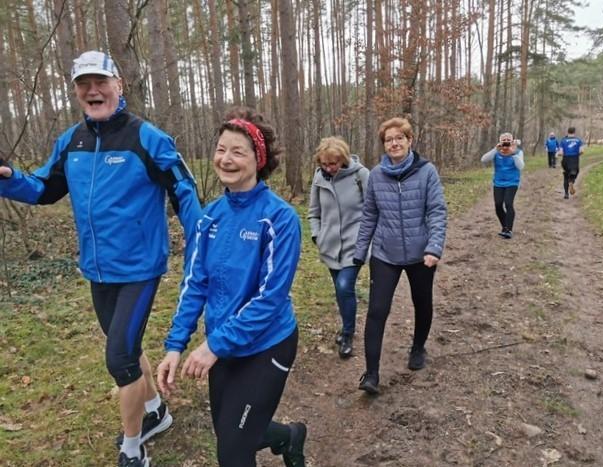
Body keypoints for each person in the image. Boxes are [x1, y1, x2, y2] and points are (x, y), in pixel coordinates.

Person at [0, 51, 201, 466]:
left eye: (100, 82)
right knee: (125, 344)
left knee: (120, 359)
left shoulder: (147, 138)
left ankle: (133, 447)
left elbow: (184, 191)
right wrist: (9, 179)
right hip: (97, 268)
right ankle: (154, 412)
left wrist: (202, 247)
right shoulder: (71, 141)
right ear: (76, 91)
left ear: (118, 85)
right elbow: (44, 189)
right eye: (83, 84)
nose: (93, 91)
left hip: (140, 268)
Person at [157, 107, 307, 467]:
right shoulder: (210, 217)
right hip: (224, 346)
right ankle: (289, 437)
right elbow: (195, 284)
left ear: (258, 160)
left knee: (233, 453)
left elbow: (270, 299)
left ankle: (281, 437)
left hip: (267, 344)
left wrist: (212, 346)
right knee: (233, 434)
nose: (226, 159)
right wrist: (175, 345)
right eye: (221, 149)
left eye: (238, 152)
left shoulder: (280, 218)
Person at [353, 117, 447, 395]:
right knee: (377, 310)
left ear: (409, 141)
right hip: (385, 253)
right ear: (384, 145)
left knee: (422, 303)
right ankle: (371, 374)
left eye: (399, 138)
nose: (394, 143)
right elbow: (369, 215)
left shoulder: (427, 171)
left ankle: (418, 348)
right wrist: (360, 252)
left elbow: (437, 211)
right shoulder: (376, 175)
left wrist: (434, 247)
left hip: (421, 254)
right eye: (388, 140)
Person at [308, 137, 369, 359]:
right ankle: (346, 326)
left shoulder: (361, 175)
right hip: (330, 245)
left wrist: (367, 239)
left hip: (355, 244)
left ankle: (348, 334)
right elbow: (313, 212)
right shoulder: (319, 178)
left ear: (342, 159)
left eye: (333, 163)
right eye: (324, 164)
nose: (329, 168)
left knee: (344, 286)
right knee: (340, 290)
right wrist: (317, 235)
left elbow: (373, 210)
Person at [481, 132, 525, 239]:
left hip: (512, 182)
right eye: (503, 140)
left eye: (508, 140)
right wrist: (495, 149)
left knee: (508, 203)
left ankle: (509, 230)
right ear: (500, 141)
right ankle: (505, 226)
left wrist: (513, 153)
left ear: (512, 141)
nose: (506, 142)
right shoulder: (496, 152)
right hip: (498, 182)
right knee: (498, 205)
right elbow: (483, 159)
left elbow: (520, 166)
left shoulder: (518, 152)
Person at [558, 126, 584, 199]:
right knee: (574, 172)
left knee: (566, 176)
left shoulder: (563, 140)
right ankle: (571, 182)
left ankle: (566, 194)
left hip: (566, 159)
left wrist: (558, 154)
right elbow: (582, 151)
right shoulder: (578, 140)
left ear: (568, 132)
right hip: (574, 159)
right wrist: (576, 154)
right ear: (574, 132)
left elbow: (561, 152)